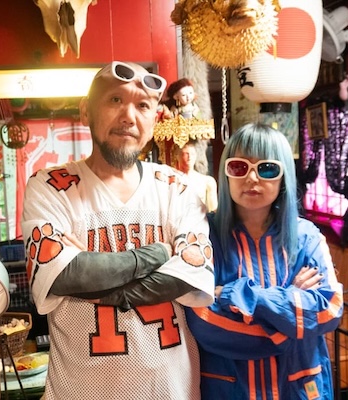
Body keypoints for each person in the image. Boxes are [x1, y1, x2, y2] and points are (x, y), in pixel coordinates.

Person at [21, 61, 215, 400]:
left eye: (143, 105)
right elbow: (64, 275)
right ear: (86, 110)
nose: (129, 116)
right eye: (115, 100)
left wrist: (94, 277)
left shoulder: (177, 187)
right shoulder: (50, 186)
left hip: (172, 390)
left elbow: (188, 277)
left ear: (155, 119)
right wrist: (158, 254)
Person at [185, 123, 344, 399]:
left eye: (267, 169)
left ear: (284, 176)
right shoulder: (203, 237)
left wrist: (237, 294)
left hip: (298, 387)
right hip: (231, 389)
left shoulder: (307, 237)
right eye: (239, 167)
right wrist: (289, 318)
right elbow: (202, 320)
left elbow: (328, 309)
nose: (252, 178)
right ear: (225, 173)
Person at [174, 139, 218, 212]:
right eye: (186, 154)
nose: (190, 157)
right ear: (178, 156)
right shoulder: (171, 180)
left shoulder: (206, 181)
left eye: (192, 154)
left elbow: (213, 210)